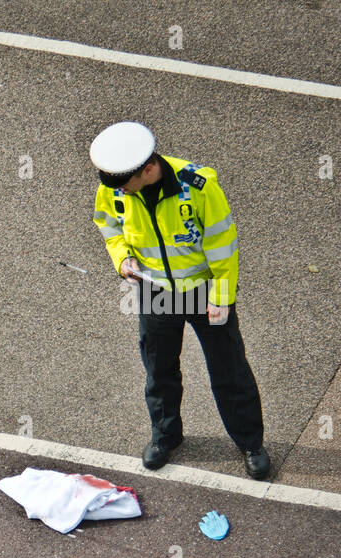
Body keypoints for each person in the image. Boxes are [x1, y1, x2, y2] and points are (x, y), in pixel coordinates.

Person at [90, 121, 270, 479]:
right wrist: (123, 257)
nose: (118, 189)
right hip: (156, 292)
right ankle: (165, 436)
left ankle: (251, 442)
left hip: (205, 293)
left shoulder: (199, 186)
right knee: (159, 370)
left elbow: (223, 245)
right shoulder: (115, 187)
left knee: (229, 370)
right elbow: (108, 226)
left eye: (125, 182)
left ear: (148, 168)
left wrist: (220, 297)